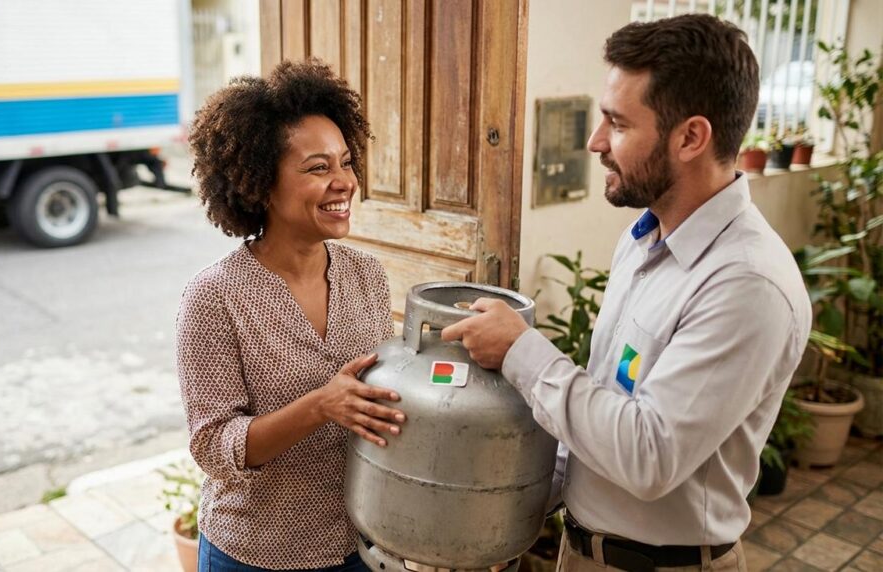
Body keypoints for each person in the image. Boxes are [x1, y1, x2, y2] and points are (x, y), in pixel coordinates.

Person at [441, 14, 811, 571]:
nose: (595, 142)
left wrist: (520, 350)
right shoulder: (642, 241)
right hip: (583, 552)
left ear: (690, 137)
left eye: (616, 123)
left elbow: (649, 455)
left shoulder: (746, 283)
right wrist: (508, 517)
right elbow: (603, 406)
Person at [176, 59, 405, 572]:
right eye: (318, 168)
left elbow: (386, 399)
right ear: (260, 183)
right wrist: (320, 406)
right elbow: (214, 447)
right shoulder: (214, 297)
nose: (344, 182)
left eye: (346, 163)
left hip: (359, 545)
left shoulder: (367, 275)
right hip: (256, 554)